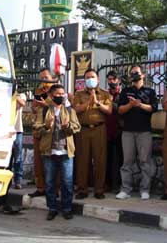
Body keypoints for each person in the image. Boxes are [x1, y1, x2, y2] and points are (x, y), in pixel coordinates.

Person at [33, 84, 81, 221]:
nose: (61, 96)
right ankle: (52, 208)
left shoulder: (70, 111)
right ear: (51, 95)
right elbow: (36, 129)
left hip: (66, 152)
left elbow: (77, 127)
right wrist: (46, 126)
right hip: (49, 153)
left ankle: (66, 208)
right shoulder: (44, 111)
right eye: (58, 94)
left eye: (63, 94)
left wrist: (68, 127)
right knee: (49, 183)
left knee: (67, 182)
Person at [115, 65, 158, 200]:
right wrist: (130, 105)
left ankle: (145, 189)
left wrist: (140, 105)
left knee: (145, 161)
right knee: (127, 161)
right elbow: (120, 110)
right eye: (132, 73)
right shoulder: (125, 91)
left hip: (144, 131)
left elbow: (153, 108)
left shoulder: (150, 92)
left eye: (137, 73)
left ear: (143, 75)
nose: (135, 75)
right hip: (128, 131)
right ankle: (125, 189)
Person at [73, 69, 112, 199]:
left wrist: (97, 102)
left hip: (99, 129)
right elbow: (76, 109)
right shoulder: (78, 94)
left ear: (98, 79)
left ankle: (99, 189)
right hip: (83, 130)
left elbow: (109, 111)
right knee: (82, 159)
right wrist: (88, 102)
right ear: (84, 81)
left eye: (93, 77)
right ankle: (82, 189)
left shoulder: (105, 94)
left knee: (100, 159)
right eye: (88, 77)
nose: (90, 79)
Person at [28, 67, 55, 198]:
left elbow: (60, 108)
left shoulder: (56, 90)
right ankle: (40, 187)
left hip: (50, 130)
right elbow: (33, 108)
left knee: (51, 161)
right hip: (38, 128)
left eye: (46, 77)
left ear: (51, 77)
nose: (44, 80)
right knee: (38, 161)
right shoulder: (39, 89)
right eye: (42, 78)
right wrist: (35, 104)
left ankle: (53, 188)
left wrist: (47, 103)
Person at [105, 70, 123, 193]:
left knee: (120, 159)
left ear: (118, 81)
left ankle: (119, 184)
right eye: (109, 79)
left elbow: (121, 110)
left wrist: (111, 102)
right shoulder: (104, 94)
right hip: (106, 131)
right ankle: (107, 184)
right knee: (107, 159)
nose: (111, 81)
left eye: (114, 79)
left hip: (120, 131)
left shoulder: (123, 94)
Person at [12, 92, 27, 188]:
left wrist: (13, 94)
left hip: (17, 130)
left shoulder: (20, 96)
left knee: (18, 157)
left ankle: (18, 179)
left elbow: (22, 103)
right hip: (5, 130)